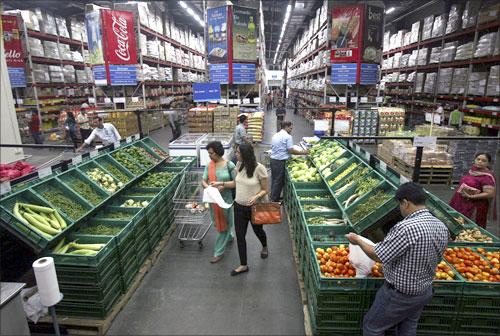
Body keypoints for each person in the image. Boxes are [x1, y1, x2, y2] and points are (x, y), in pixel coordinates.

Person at [345, 182, 449, 336]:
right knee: (407, 328)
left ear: (405, 203)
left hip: (400, 295)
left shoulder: (406, 227)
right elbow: (436, 257)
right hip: (423, 291)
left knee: (372, 327)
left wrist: (358, 240)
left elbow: (378, 255)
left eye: (399, 204)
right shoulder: (441, 226)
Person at [211, 143, 269, 276]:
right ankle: (243, 265)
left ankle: (264, 246)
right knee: (240, 236)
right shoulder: (238, 165)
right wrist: (221, 184)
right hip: (239, 207)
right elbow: (235, 183)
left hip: (254, 208)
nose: (235, 154)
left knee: (258, 230)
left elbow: (266, 189)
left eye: (237, 152)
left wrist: (256, 197)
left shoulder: (260, 169)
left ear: (245, 154)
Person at [202, 141, 236, 263]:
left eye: (211, 153)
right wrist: (208, 188)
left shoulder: (229, 165)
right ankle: (230, 236)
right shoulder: (209, 165)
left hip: (225, 201)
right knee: (217, 222)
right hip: (213, 200)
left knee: (222, 227)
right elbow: (203, 181)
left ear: (217, 153)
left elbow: (236, 182)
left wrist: (224, 186)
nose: (209, 155)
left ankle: (218, 252)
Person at [449, 153, 496, 228]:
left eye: (484, 161)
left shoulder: (487, 177)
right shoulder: (473, 170)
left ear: (488, 163)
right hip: (462, 201)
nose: (480, 162)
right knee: (457, 222)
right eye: (478, 159)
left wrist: (472, 196)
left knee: (469, 227)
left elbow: (490, 194)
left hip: (474, 206)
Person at [269, 121, 308, 202]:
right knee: (278, 181)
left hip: (273, 160)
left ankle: (274, 196)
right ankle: (274, 200)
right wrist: (304, 152)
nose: (291, 130)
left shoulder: (276, 134)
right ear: (286, 127)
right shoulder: (287, 136)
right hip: (280, 161)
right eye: (291, 128)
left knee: (275, 179)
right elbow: (290, 150)